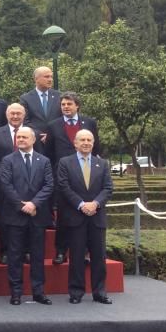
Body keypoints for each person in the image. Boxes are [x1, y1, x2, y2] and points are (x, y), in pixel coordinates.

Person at [57, 129, 114, 304]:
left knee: (98, 257)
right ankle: (76, 292)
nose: (86, 143)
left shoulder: (102, 164)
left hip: (96, 217)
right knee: (76, 257)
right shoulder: (65, 163)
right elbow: (64, 186)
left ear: (93, 143)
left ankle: (99, 292)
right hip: (76, 217)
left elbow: (108, 188)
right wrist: (82, 205)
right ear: (75, 143)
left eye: (89, 140)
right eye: (82, 140)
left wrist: (95, 204)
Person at [0, 127, 55, 306]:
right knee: (15, 255)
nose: (21, 139)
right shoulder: (8, 160)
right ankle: (16, 293)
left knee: (38, 256)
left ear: (33, 140)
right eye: (18, 137)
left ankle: (38, 292)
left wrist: (33, 204)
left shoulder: (44, 161)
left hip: (37, 215)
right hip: (15, 215)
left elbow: (48, 185)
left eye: (24, 137)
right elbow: (6, 185)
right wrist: (22, 205)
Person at [46, 91, 101, 264]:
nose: (65, 107)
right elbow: (49, 153)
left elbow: (96, 147)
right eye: (63, 104)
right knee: (63, 217)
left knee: (85, 217)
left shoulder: (89, 123)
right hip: (62, 177)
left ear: (77, 105)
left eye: (69, 104)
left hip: (86, 176)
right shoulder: (53, 125)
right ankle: (61, 251)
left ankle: (84, 252)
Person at [0, 102, 27, 265]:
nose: (15, 116)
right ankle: (5, 251)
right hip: (4, 183)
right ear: (7, 115)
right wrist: (6, 169)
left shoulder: (31, 133)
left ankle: (24, 251)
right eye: (12, 113)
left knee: (25, 218)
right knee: (5, 220)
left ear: (24, 115)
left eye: (18, 113)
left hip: (27, 183)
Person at [19, 66, 62, 155]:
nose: (50, 79)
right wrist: (40, 135)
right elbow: (25, 121)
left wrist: (51, 135)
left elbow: (62, 118)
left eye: (51, 77)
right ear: (36, 79)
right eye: (46, 77)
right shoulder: (26, 98)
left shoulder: (59, 96)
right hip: (36, 143)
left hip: (56, 143)